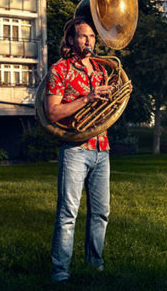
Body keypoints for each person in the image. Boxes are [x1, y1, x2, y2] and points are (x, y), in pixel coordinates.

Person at [46, 16, 115, 282]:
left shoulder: (100, 70)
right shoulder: (59, 70)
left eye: (92, 36)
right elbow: (52, 112)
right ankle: (60, 271)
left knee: (101, 212)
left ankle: (94, 264)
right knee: (68, 214)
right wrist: (87, 98)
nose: (89, 41)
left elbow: (106, 109)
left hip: (102, 147)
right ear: (72, 40)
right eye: (84, 36)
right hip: (74, 149)